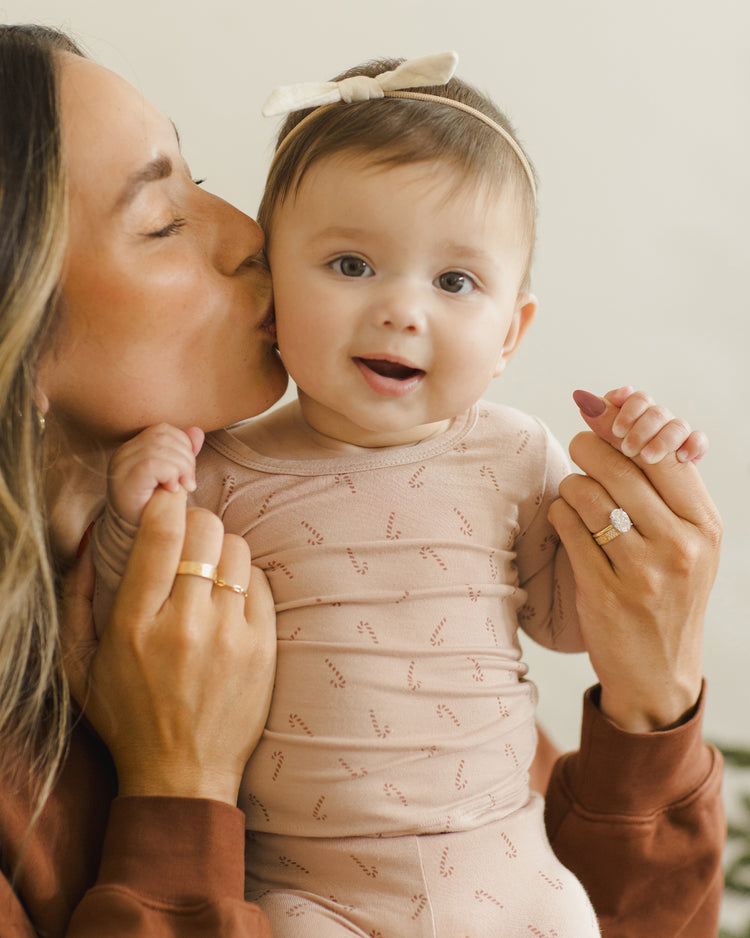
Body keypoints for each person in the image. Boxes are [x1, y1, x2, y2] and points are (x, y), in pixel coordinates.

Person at [0, 24, 723, 938]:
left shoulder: (458, 490)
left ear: (513, 329)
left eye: (204, 180)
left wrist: (651, 698)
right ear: (17, 345)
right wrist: (176, 787)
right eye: (163, 220)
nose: (249, 237)